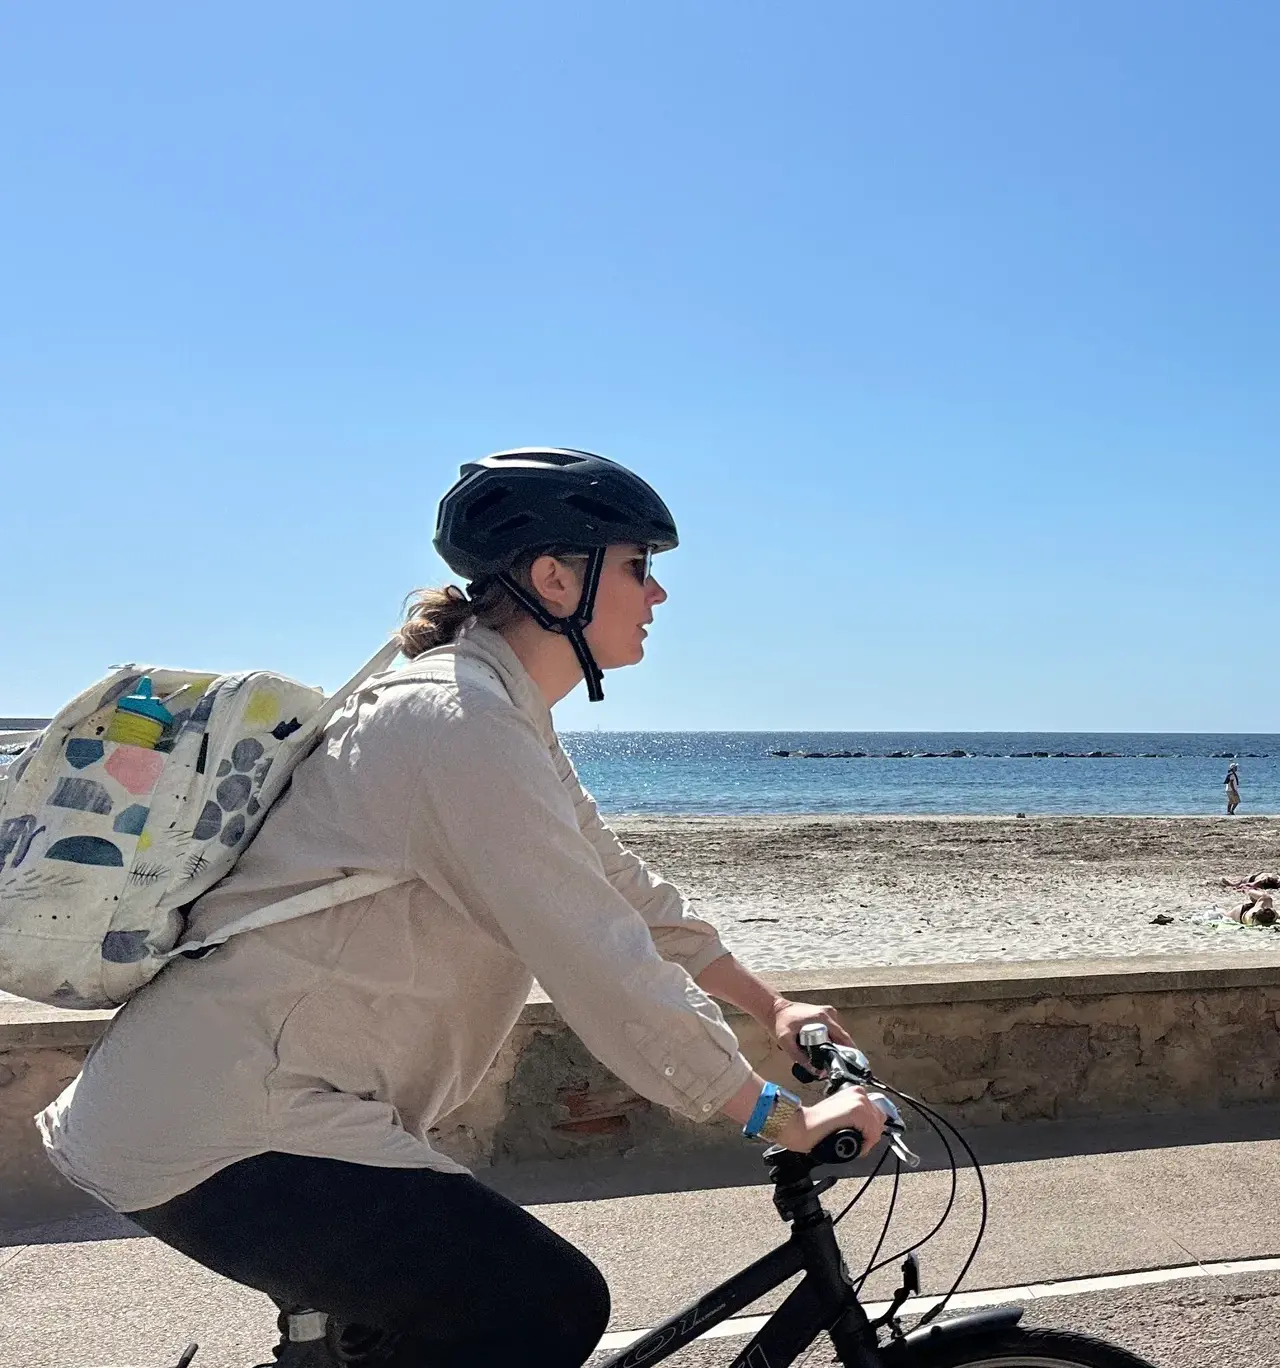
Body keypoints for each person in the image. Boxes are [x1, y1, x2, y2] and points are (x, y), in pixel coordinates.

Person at [35, 450, 890, 1368]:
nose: (659, 596)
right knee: (546, 1306)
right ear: (555, 577)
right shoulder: (459, 724)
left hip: (251, 1111)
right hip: (225, 1125)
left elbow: (617, 885)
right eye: (640, 567)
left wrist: (770, 1006)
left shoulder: (494, 711)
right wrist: (770, 1114)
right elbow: (595, 953)